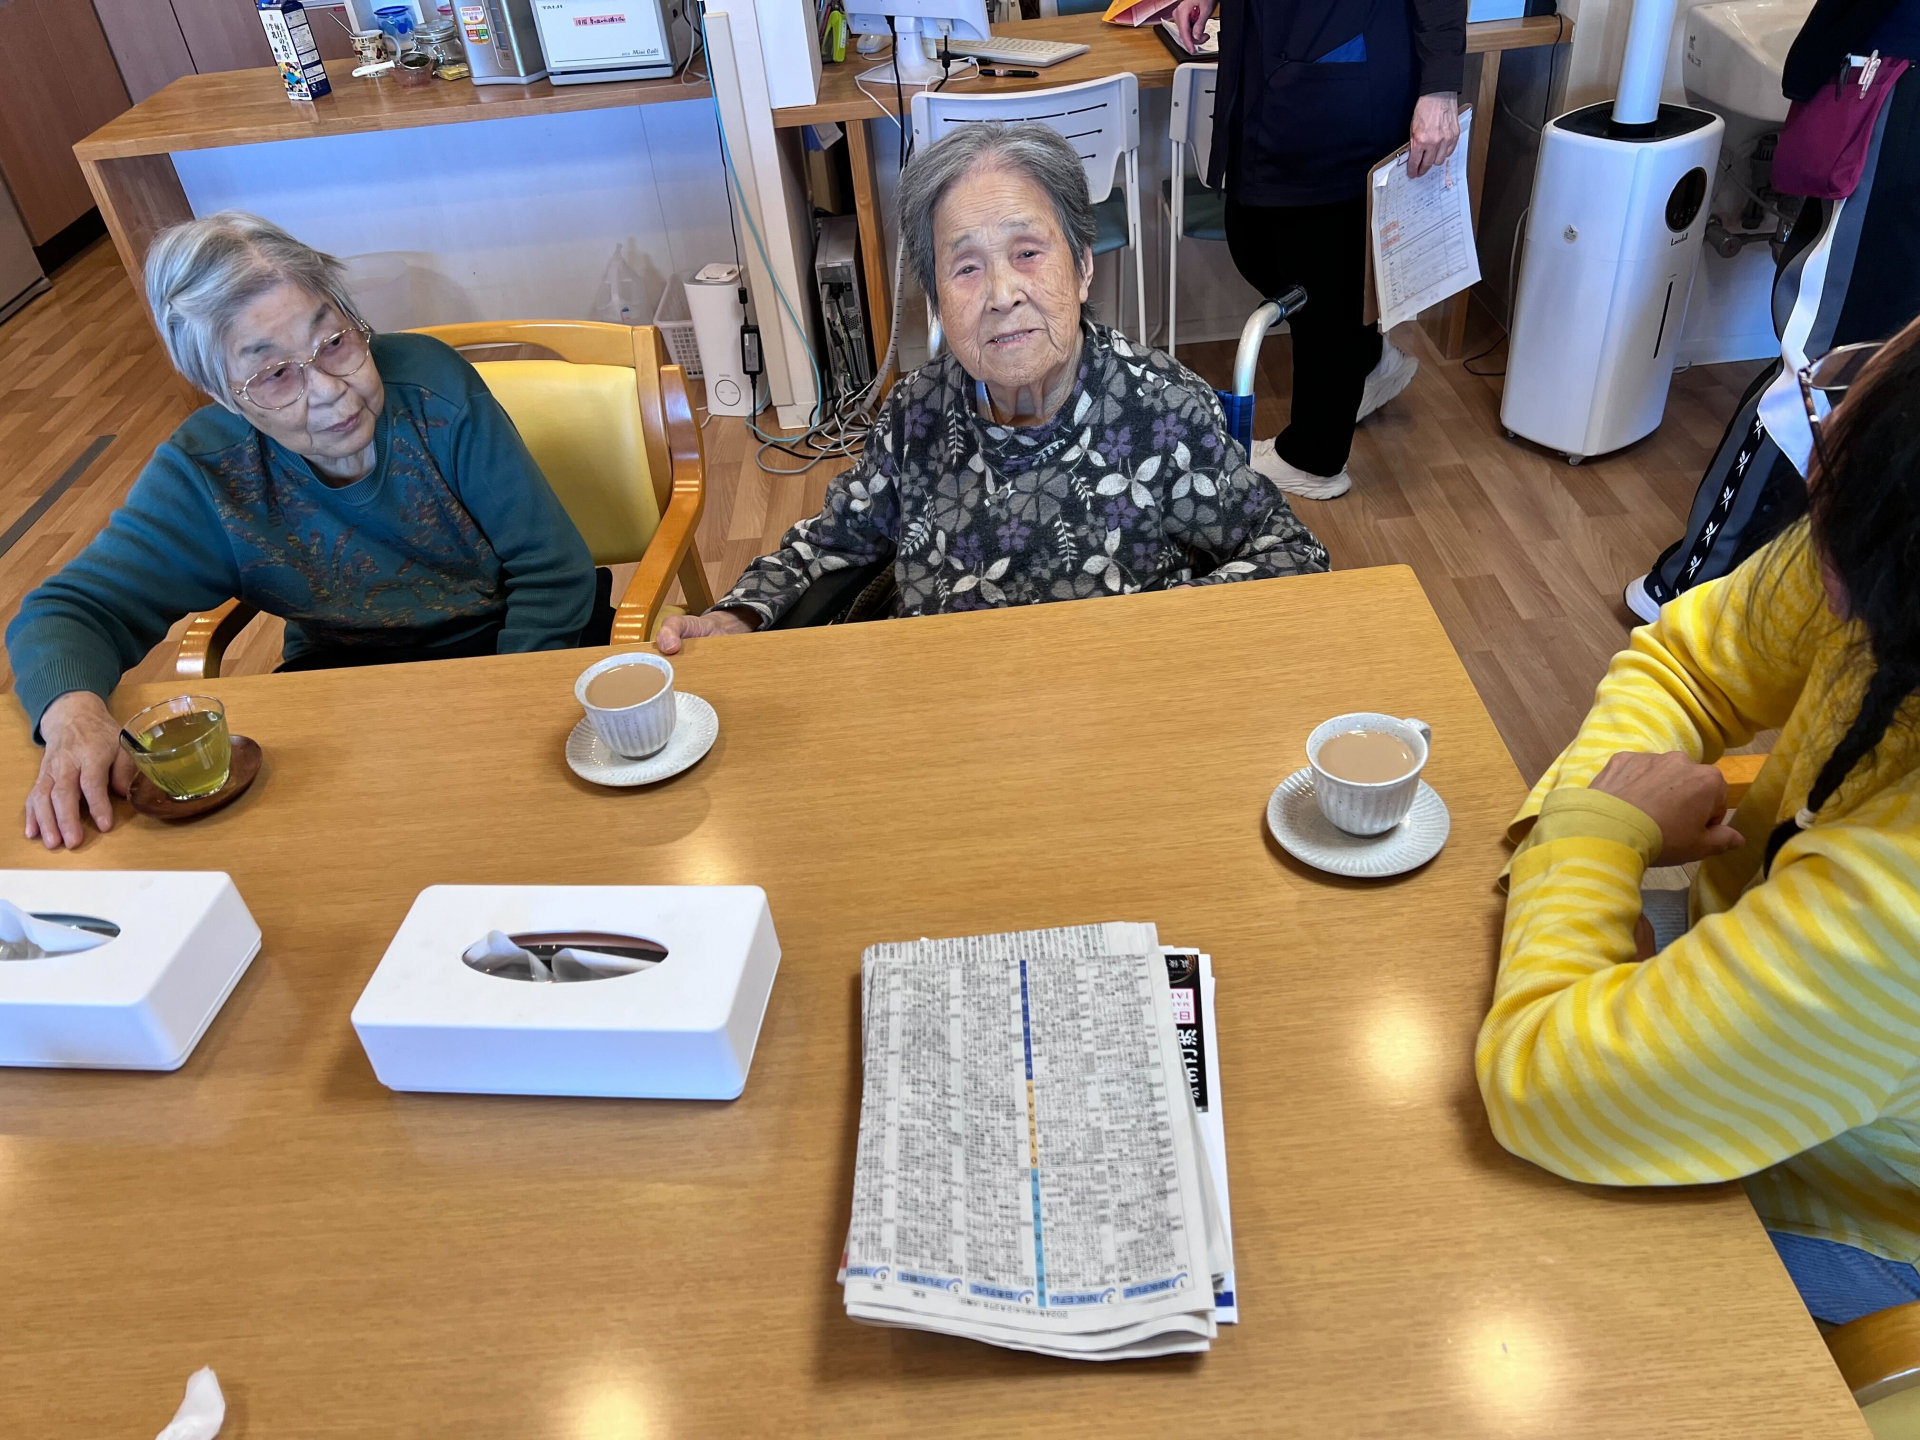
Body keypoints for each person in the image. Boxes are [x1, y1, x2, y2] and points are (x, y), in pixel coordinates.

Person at [1477, 315, 1920, 1326]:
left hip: (1851, 1210)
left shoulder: (1896, 908)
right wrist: (1583, 830)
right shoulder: (1888, 510)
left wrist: (1588, 833)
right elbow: (1687, 663)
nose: (1819, 463)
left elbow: (1541, 1083)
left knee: (1492, 1245)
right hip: (1755, 984)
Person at [8, 211, 598, 851]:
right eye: (275, 375)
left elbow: (553, 573)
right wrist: (74, 717)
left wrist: (494, 713)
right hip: (346, 692)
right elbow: (70, 611)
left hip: (515, 652)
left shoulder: (433, 391)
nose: (329, 390)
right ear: (223, 392)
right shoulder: (209, 474)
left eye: (335, 341)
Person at [656, 123, 1328, 652]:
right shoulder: (915, 413)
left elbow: (1291, 552)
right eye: (967, 267)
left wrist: (1173, 619)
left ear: (1083, 267)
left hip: (1118, 717)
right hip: (946, 713)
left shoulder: (1163, 411)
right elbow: (834, 543)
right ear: (937, 301)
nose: (1003, 294)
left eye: (1028, 253)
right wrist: (738, 616)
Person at [1623, 0, 1920, 621]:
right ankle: (1849, 595)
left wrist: (1807, 72)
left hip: (1899, 100)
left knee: (1817, 364)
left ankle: (1690, 586)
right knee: (1894, 368)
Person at [1168, 0, 1465, 500]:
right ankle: (1367, 363)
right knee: (1252, 239)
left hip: (1343, 72)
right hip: (1267, 58)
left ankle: (1313, 459)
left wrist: (1439, 89)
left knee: (1320, 265)